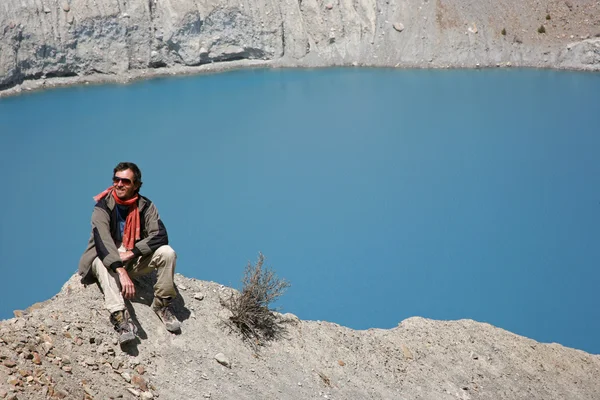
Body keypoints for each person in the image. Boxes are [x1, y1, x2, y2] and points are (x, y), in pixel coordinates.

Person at [79, 162, 181, 344]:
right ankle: (121, 318)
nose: (119, 184)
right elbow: (103, 243)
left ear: (136, 185)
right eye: (116, 180)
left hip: (132, 256)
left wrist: (132, 253)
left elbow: (160, 236)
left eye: (125, 181)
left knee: (167, 252)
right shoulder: (102, 207)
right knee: (101, 261)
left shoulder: (145, 206)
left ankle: (162, 304)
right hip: (105, 258)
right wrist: (121, 270)